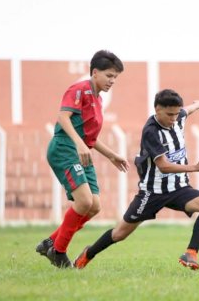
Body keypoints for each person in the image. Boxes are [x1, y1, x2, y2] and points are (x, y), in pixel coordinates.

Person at [73, 89, 199, 270]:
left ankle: (191, 253)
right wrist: (194, 168)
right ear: (157, 110)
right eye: (169, 114)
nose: (174, 119)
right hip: (152, 192)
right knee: (119, 234)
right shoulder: (151, 131)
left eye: (176, 114)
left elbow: (187, 110)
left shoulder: (178, 115)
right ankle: (88, 254)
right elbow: (163, 166)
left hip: (179, 188)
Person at [35, 50, 130, 268]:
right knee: (84, 201)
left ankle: (51, 241)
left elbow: (90, 139)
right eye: (109, 75)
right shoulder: (79, 90)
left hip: (80, 152)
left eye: (115, 77)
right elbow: (62, 117)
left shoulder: (97, 99)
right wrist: (79, 144)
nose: (112, 80)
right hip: (64, 149)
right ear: (95, 72)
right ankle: (58, 251)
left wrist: (112, 155)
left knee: (94, 206)